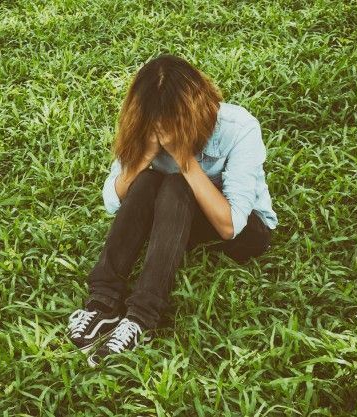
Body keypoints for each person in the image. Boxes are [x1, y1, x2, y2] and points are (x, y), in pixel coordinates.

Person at [66, 54, 279, 368]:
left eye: (171, 121)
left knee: (179, 184)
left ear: (196, 110)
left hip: (245, 230)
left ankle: (142, 318)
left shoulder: (239, 128)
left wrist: (185, 161)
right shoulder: (145, 125)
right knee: (147, 180)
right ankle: (102, 305)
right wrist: (143, 156)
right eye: (154, 120)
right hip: (173, 220)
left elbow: (230, 226)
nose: (161, 128)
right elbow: (113, 201)